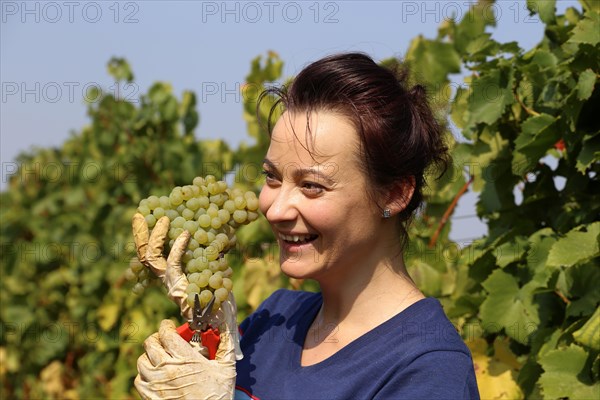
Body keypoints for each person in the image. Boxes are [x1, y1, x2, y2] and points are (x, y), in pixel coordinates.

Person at [133, 52, 480, 400]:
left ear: (393, 194)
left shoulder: (429, 369)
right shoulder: (276, 318)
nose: (275, 209)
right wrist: (202, 316)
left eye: (312, 185)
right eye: (272, 177)